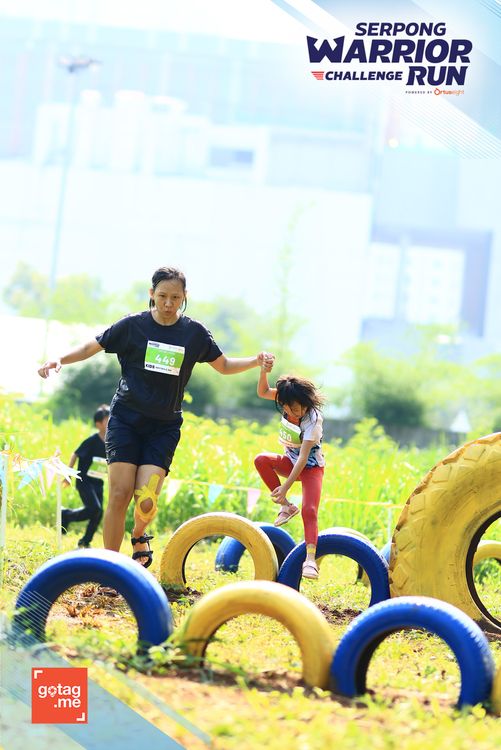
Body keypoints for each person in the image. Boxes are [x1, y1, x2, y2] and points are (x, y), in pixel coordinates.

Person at [39, 266, 274, 569]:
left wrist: (256, 361)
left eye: (175, 297)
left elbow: (224, 365)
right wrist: (59, 359)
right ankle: (111, 569)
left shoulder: (194, 333)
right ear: (151, 293)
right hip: (125, 420)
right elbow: (91, 346)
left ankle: (139, 533)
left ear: (184, 297)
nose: (168, 303)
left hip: (163, 426)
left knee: (146, 499)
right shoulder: (132, 326)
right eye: (162, 296)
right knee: (119, 493)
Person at [254, 368, 325, 580]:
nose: (296, 412)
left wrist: (285, 487)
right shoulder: (285, 398)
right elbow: (263, 391)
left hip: (311, 468)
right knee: (261, 460)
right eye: (291, 408)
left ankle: (310, 560)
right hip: (290, 462)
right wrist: (263, 370)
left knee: (309, 510)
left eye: (299, 408)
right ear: (283, 403)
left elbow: (303, 458)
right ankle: (286, 507)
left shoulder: (313, 420)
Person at [61, 404, 110, 548]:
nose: (111, 422)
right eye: (107, 420)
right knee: (95, 508)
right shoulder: (92, 441)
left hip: (98, 482)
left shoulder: (111, 442)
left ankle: (85, 541)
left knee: (98, 512)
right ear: (98, 424)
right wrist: (68, 475)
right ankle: (66, 515)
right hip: (84, 481)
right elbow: (75, 454)